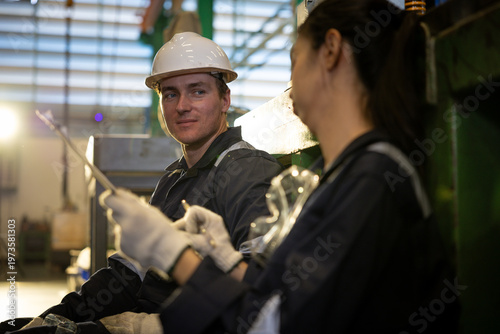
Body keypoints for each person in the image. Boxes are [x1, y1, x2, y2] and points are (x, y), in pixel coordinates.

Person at [97, 0, 461, 333]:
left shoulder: (372, 180)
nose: (289, 84)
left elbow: (273, 324)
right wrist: (225, 259)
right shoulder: (348, 174)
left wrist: (171, 254)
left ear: (331, 52)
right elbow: (279, 298)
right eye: (170, 93)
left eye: (294, 61)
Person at [2, 32, 283, 333]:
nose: (182, 106)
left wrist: (153, 326)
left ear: (225, 99)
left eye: (198, 92)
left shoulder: (247, 169)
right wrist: (58, 315)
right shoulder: (172, 179)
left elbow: (260, 294)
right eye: (170, 94)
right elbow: (127, 275)